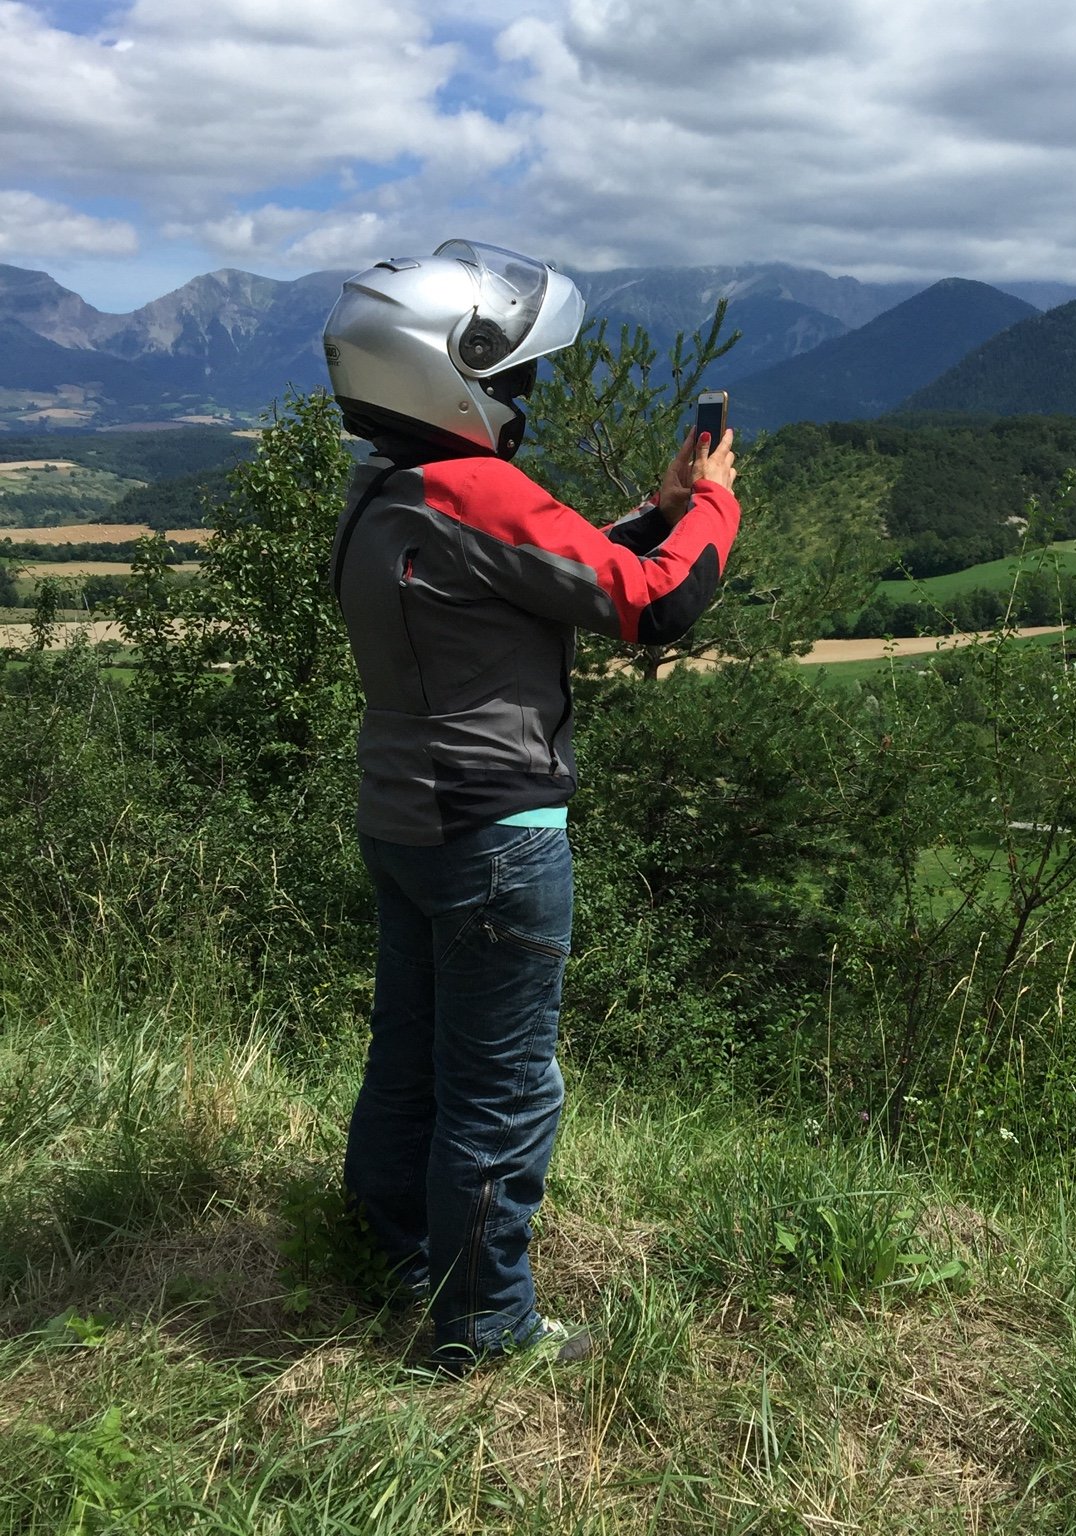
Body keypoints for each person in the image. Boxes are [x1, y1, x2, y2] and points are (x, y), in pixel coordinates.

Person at [321, 239, 739, 1374]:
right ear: (446, 374)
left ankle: (391, 1252)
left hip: (402, 819)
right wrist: (712, 509)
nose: (525, 394)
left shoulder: (386, 493)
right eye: (512, 375)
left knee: (409, 1055)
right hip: (496, 836)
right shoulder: (477, 489)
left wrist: (653, 510)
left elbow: (543, 570)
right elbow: (654, 607)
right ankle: (486, 1327)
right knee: (503, 1091)